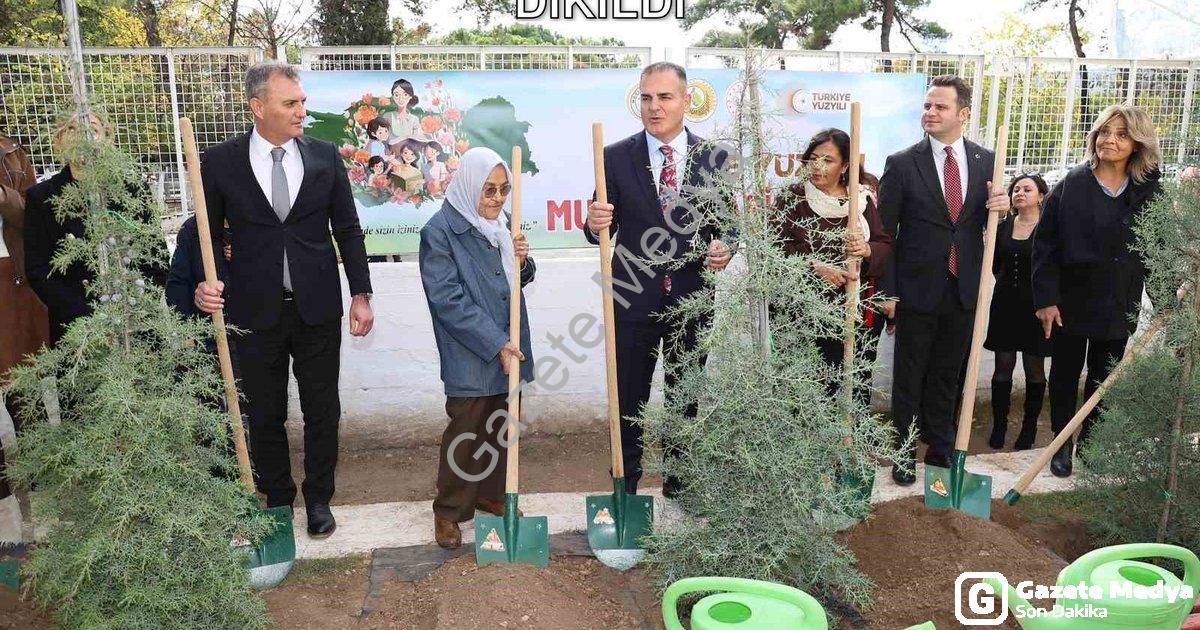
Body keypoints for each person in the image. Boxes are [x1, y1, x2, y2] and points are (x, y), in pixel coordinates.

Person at [193, 61, 375, 537]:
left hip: (317, 309)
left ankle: (319, 499)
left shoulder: (323, 156)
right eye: (290, 103)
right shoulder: (220, 163)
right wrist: (201, 284)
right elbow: (204, 235)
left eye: (302, 102)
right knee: (265, 411)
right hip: (252, 311)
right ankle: (277, 499)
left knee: (322, 409)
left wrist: (361, 293)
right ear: (258, 107)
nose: (301, 111)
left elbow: (348, 229)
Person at [585, 61, 733, 497]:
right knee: (628, 396)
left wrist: (726, 246)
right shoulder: (613, 157)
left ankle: (680, 483)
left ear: (687, 102)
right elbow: (598, 226)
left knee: (685, 394)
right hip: (630, 297)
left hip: (692, 297)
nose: (654, 107)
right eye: (646, 97)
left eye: (665, 97)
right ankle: (624, 485)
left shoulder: (714, 159)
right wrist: (594, 222)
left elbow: (729, 225)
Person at [876, 75, 1009, 486]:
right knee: (909, 375)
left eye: (940, 107)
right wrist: (889, 292)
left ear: (963, 114)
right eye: (927, 106)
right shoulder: (902, 163)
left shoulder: (988, 161)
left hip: (963, 288)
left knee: (949, 374)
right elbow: (886, 233)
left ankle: (939, 449)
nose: (930, 113)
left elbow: (983, 225)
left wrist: (1000, 210)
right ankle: (902, 452)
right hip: (916, 289)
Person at [1032, 104, 1162, 477]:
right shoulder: (1073, 183)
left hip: (1119, 300)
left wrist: (1166, 298)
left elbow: (1156, 247)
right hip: (1071, 300)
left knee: (1104, 377)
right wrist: (1046, 299)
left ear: (1137, 143)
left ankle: (1091, 442)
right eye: (1105, 132)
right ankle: (1061, 444)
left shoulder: (1148, 190)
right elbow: (1046, 244)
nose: (1110, 140)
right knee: (1064, 374)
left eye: (1122, 134)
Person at [418, 147, 535, 549]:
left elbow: (515, 279)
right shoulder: (440, 231)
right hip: (471, 351)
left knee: (502, 428)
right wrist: (495, 342)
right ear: (469, 186)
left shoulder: (501, 226)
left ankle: (492, 494)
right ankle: (449, 512)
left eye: (504, 190)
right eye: (489, 190)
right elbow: (447, 299)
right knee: (466, 431)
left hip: (511, 344)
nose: (497, 199)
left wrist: (524, 259)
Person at [25, 112, 169, 347]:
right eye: (72, 129)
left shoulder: (133, 191)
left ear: (108, 139)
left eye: (92, 129)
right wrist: (89, 317)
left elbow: (157, 260)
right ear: (59, 142)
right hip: (78, 332)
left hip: (136, 326)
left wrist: (135, 306)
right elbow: (39, 271)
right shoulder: (42, 199)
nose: (83, 137)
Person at [774, 127, 891, 406]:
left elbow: (884, 245)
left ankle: (852, 445)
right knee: (808, 396)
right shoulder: (793, 198)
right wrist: (813, 267)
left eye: (827, 160)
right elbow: (774, 249)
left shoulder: (860, 201)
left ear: (846, 166)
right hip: (804, 317)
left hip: (854, 313)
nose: (817, 166)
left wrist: (867, 250)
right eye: (813, 158)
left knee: (855, 389)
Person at [982, 173, 1051, 451]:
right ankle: (999, 426)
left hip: (1036, 308)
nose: (1020, 193)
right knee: (1002, 369)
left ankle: (1029, 428)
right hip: (1005, 305)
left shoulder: (1048, 229)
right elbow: (995, 265)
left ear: (1041, 196)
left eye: (1027, 189)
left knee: (1034, 370)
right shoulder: (1001, 226)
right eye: (1016, 189)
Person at [0, 133, 47, 501]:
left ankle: (40, 467)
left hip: (8, 272)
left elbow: (34, 209)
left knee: (21, 377)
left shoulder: (10, 149)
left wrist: (9, 202)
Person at [383, 78, 422, 145]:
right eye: (397, 95)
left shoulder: (414, 119)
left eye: (405, 95)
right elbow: (384, 140)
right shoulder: (387, 116)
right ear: (393, 96)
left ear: (410, 96)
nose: (401, 99)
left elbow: (416, 141)